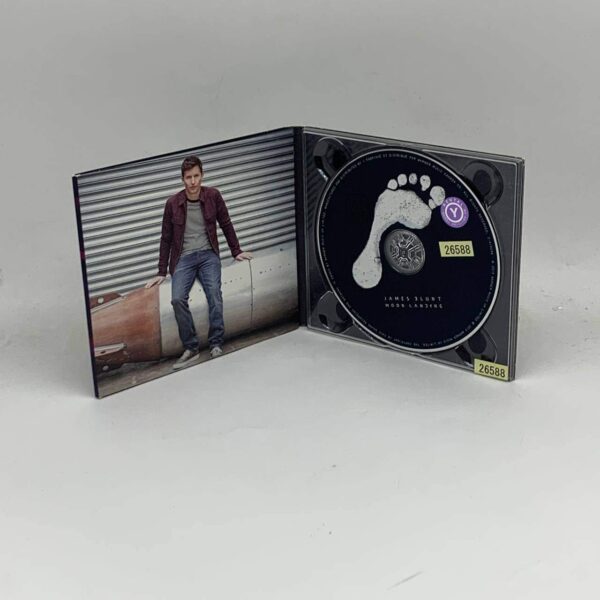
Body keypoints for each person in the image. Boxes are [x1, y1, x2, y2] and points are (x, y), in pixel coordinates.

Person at [145, 156, 252, 369]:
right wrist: (161, 271)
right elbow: (166, 238)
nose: (193, 181)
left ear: (202, 175)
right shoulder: (172, 203)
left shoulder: (213, 196)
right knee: (177, 299)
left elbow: (226, 223)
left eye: (196, 176)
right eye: (188, 177)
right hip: (183, 258)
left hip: (207, 255)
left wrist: (236, 251)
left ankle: (216, 343)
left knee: (214, 294)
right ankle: (191, 347)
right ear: (182, 179)